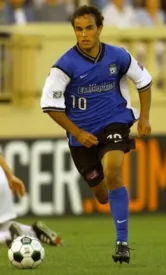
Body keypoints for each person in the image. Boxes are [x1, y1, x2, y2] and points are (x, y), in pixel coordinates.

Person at [40, 5, 152, 264]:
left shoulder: (118, 56)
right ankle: (105, 194)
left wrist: (144, 117)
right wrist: (78, 132)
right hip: (81, 137)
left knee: (113, 171)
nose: (84, 34)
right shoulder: (64, 65)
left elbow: (144, 81)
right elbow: (50, 106)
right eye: (78, 29)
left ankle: (122, 242)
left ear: (99, 29)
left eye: (89, 28)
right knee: (101, 195)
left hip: (114, 121)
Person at [0, 154, 62, 248]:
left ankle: (8, 236)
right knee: (2, 224)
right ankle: (33, 232)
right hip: (2, 177)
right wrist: (10, 176)